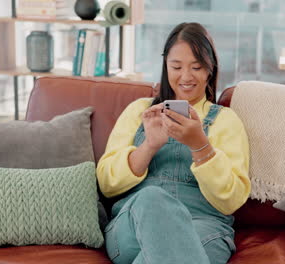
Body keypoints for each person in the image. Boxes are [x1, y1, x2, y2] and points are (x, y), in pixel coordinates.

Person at [97, 22, 250, 264]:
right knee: (152, 199)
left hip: (202, 229)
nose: (186, 77)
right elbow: (106, 184)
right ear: (165, 66)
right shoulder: (139, 111)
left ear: (210, 69)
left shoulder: (225, 121)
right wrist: (149, 146)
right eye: (176, 67)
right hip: (132, 228)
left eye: (197, 67)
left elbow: (230, 200)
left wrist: (200, 145)